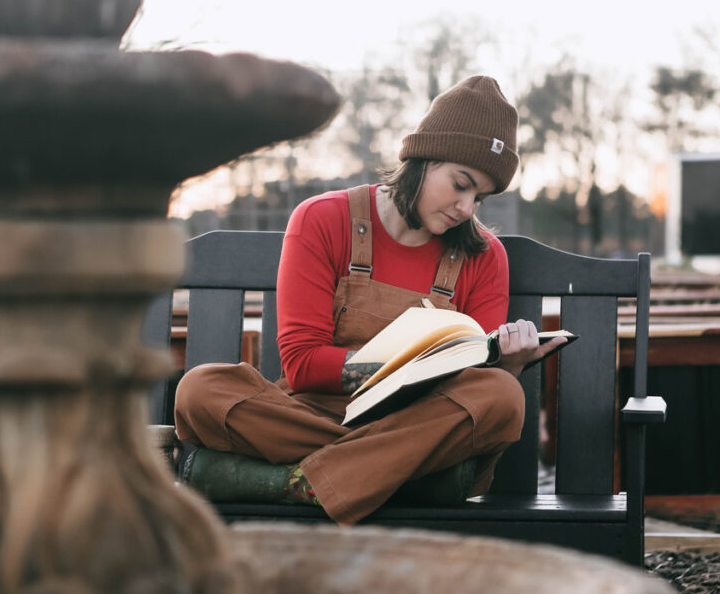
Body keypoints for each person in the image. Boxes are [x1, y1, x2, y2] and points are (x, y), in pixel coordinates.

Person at [174, 76, 565, 525]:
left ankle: (299, 483)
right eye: (460, 184)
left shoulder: (483, 256)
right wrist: (405, 369)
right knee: (200, 390)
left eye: (480, 197)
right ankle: (391, 476)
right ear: (423, 158)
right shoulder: (324, 219)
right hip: (323, 416)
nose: (466, 207)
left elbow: (473, 385)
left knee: (503, 397)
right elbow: (302, 363)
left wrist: (510, 365)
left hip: (420, 421)